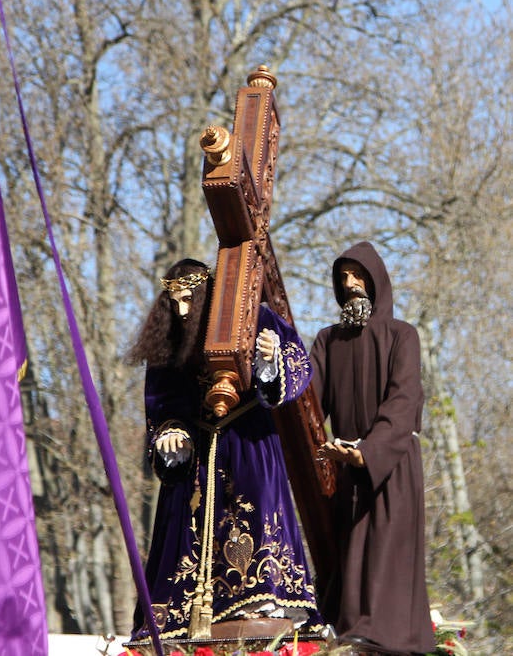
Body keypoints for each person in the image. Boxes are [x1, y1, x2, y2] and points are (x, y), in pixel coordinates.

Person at [127, 258, 323, 645]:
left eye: (188, 300)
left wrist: (270, 361)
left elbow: (299, 367)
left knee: (255, 507)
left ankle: (262, 604)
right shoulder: (168, 341)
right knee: (185, 526)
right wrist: (172, 435)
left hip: (248, 441)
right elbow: (163, 405)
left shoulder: (252, 318)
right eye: (174, 302)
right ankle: (183, 618)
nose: (182, 310)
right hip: (198, 454)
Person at [310, 241, 436, 654]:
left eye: (358, 275)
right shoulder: (328, 342)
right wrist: (277, 364)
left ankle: (393, 638)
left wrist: (369, 451)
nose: (350, 285)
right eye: (343, 277)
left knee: (386, 553)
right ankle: (352, 634)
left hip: (391, 464)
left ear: (376, 280)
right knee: (352, 556)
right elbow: (307, 400)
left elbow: (403, 402)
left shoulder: (404, 335)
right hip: (347, 467)